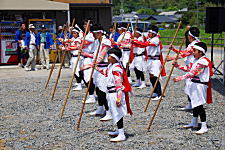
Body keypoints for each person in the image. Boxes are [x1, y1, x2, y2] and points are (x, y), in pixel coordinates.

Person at [85, 48, 132, 142]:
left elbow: (119, 84)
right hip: (111, 93)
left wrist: (118, 98)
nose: (108, 57)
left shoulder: (116, 69)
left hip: (115, 93)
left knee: (118, 113)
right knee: (115, 112)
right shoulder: (111, 66)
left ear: (114, 58)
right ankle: (119, 131)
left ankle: (121, 134)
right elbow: (105, 73)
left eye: (110, 56)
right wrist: (96, 67)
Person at [173, 42, 213, 135]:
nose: (193, 52)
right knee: (195, 104)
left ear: (201, 52)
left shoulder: (204, 61)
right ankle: (194, 122)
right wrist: (177, 66)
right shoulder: (196, 60)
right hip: (194, 84)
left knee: (199, 106)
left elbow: (194, 73)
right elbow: (188, 68)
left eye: (195, 51)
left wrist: (180, 78)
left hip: (199, 85)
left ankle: (204, 126)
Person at [81, 24, 113, 120]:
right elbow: (95, 56)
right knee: (98, 90)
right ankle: (100, 108)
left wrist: (89, 65)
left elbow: (101, 57)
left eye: (94, 34)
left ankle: (109, 112)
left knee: (104, 90)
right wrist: (84, 53)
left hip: (103, 69)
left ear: (99, 33)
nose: (93, 36)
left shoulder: (105, 42)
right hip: (97, 69)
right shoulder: (98, 41)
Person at [168, 27, 200, 110]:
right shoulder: (195, 43)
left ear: (190, 36)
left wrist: (171, 58)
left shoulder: (194, 45)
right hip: (191, 67)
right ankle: (191, 105)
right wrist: (174, 49)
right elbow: (184, 53)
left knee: (192, 88)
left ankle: (195, 106)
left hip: (194, 68)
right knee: (189, 87)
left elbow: (184, 54)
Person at [132, 25, 164, 100]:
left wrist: (134, 41)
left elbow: (144, 44)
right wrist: (134, 42)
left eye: (149, 32)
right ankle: (155, 92)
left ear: (154, 33)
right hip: (150, 60)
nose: (148, 34)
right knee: (151, 77)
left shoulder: (155, 39)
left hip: (155, 60)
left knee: (155, 77)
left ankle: (159, 94)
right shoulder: (150, 39)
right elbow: (142, 46)